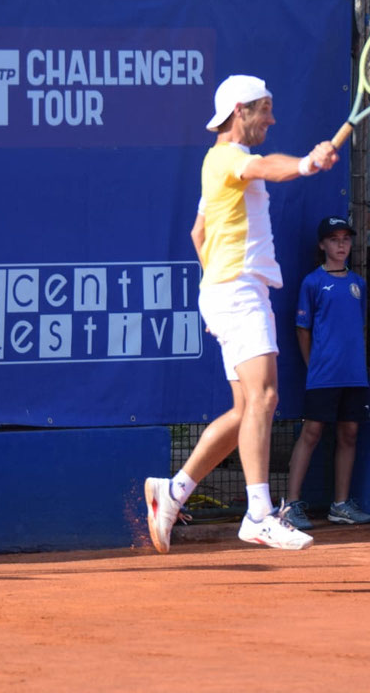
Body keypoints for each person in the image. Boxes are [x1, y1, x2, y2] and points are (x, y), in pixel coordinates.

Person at [143, 74, 338, 553]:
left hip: (228, 289)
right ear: (239, 111)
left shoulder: (214, 165)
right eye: (264, 109)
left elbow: (198, 234)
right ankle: (257, 514)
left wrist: (216, 284)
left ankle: (173, 492)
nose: (272, 118)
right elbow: (270, 167)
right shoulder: (232, 158)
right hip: (239, 291)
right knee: (266, 397)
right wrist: (309, 163)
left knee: (244, 409)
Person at [281, 215, 370, 531]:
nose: (341, 245)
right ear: (322, 245)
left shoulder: (358, 284)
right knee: (312, 433)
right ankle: (290, 504)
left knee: (349, 433)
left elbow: (358, 328)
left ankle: (340, 505)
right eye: (334, 239)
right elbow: (302, 330)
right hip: (322, 376)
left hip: (354, 376)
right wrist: (314, 367)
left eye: (345, 239)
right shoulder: (312, 283)